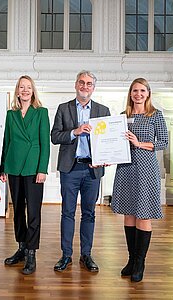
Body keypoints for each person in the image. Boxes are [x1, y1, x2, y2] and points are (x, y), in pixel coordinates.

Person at [51, 70, 110, 273]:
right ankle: (66, 255)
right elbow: (55, 136)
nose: (85, 87)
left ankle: (86, 255)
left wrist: (104, 159)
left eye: (89, 84)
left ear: (94, 88)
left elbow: (108, 141)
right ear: (76, 85)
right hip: (71, 168)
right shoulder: (64, 108)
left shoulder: (103, 110)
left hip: (93, 170)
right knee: (67, 213)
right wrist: (74, 132)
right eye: (82, 83)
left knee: (89, 214)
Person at [111, 78, 168, 282]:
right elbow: (114, 143)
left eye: (142, 90)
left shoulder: (155, 115)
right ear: (130, 93)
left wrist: (139, 143)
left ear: (148, 93)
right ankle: (131, 260)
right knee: (129, 214)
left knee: (143, 215)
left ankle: (140, 262)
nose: (138, 94)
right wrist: (108, 156)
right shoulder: (121, 117)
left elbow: (163, 142)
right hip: (126, 168)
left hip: (145, 168)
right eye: (135, 90)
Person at [0, 75, 50, 275]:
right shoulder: (11, 115)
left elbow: (44, 143)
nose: (25, 90)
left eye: (28, 87)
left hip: (33, 167)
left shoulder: (41, 113)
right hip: (14, 166)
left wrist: (42, 169)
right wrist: (3, 167)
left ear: (33, 90)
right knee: (18, 210)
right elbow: (7, 142)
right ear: (17, 91)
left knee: (34, 212)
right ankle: (21, 247)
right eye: (22, 87)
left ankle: (31, 253)